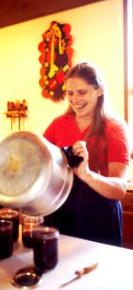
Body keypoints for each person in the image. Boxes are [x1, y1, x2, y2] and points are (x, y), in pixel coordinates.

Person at [43, 61, 130, 246]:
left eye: (82, 92)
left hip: (100, 220)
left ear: (99, 91)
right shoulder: (58, 124)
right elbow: (39, 163)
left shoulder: (115, 128)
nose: (75, 99)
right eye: (70, 93)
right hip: (61, 216)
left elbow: (119, 189)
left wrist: (87, 175)